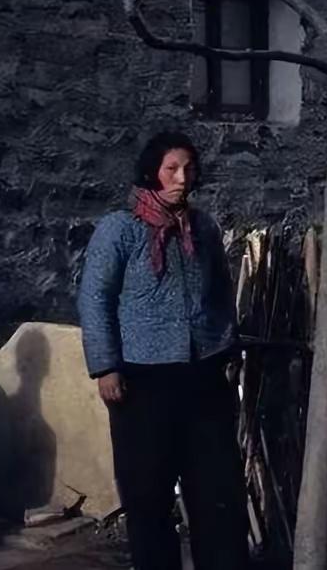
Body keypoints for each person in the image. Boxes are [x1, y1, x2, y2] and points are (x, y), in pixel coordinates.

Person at [78, 132, 247, 570]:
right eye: (171, 169)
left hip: (202, 374)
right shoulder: (120, 229)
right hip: (142, 379)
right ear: (152, 172)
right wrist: (105, 366)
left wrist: (224, 345)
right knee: (148, 493)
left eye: (189, 169)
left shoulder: (202, 228)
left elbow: (220, 291)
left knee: (217, 489)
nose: (181, 178)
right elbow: (95, 298)